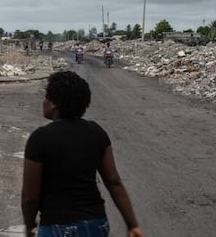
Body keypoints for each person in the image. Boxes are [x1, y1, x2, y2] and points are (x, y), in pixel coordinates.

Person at [21, 71, 144, 237]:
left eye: (46, 97)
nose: (43, 101)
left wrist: (29, 225)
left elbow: (30, 196)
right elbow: (114, 182)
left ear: (54, 104)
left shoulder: (40, 138)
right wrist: (132, 225)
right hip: (96, 223)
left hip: (57, 226)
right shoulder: (97, 132)